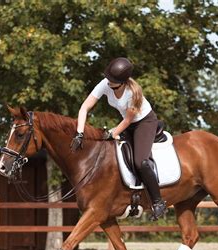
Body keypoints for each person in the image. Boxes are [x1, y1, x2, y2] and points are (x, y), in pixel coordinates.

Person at [70, 57, 167, 220]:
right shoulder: (105, 83)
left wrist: (113, 132)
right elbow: (85, 107)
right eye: (108, 78)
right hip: (127, 123)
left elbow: (128, 121)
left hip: (144, 122)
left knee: (140, 162)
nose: (108, 82)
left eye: (113, 80)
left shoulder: (132, 93)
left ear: (122, 82)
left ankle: (158, 203)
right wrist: (79, 133)